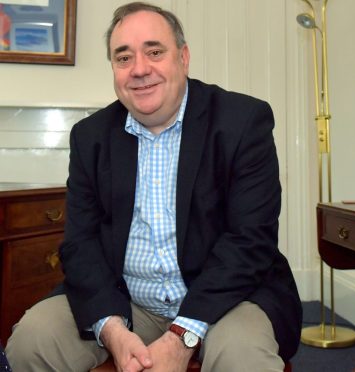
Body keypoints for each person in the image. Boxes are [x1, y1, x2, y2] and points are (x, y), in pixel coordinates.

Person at [6, 2, 302, 371]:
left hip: (225, 300)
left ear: (183, 57)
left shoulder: (242, 122)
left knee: (242, 356)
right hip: (127, 301)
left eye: (154, 51)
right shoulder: (91, 137)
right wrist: (111, 329)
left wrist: (182, 337)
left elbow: (250, 242)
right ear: (113, 68)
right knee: (32, 340)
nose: (140, 70)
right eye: (123, 57)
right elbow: (79, 244)